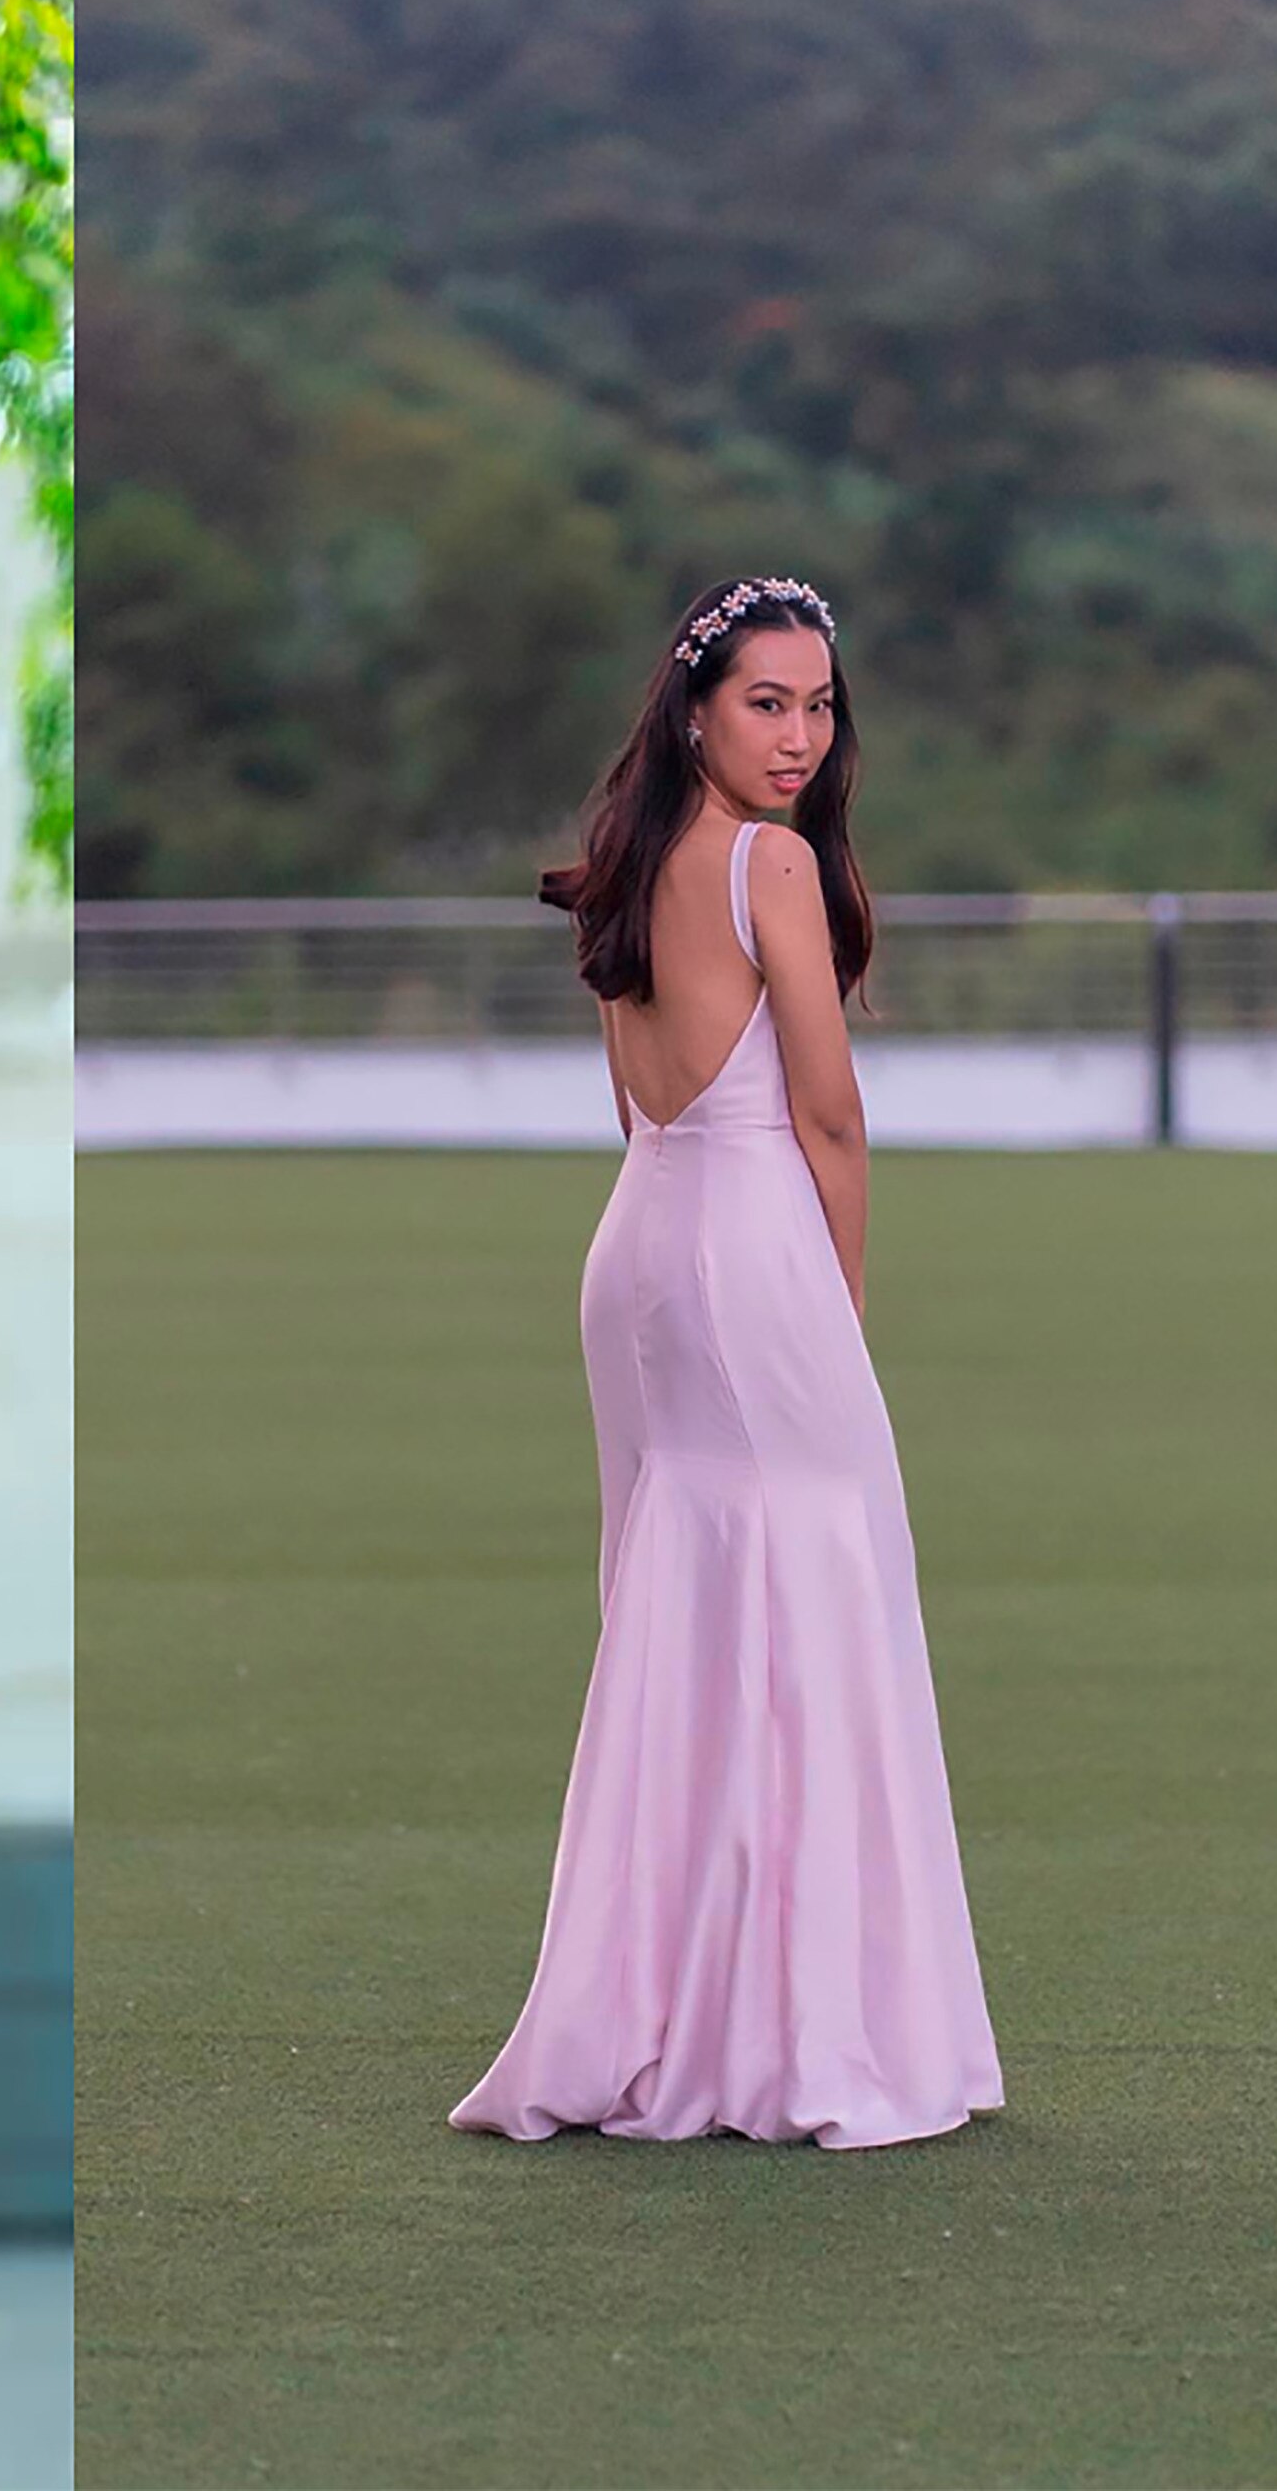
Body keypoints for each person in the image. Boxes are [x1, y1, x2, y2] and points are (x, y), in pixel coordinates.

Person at [449, 576, 1004, 2152]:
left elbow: (638, 1102)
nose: (800, 737)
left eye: (821, 707)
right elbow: (829, 1110)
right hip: (750, 1243)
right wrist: (839, 1301)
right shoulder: (768, 863)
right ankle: (800, 2036)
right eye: (769, 702)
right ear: (696, 709)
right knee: (817, 1599)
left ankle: (671, 2016)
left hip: (640, 1247)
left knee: (678, 1612)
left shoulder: (629, 863)